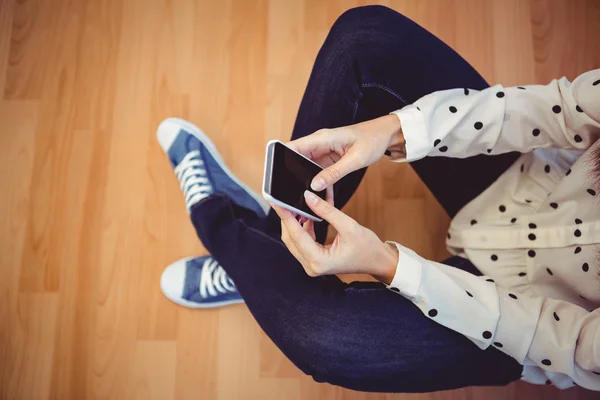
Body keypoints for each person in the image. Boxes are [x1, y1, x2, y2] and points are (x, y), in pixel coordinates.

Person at [156, 5, 600, 393]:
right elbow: (561, 107)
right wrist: (392, 128)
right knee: (364, 40)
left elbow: (563, 343)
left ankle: (226, 230)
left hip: (515, 325)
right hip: (526, 183)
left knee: (324, 339)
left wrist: (390, 265)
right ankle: (269, 260)